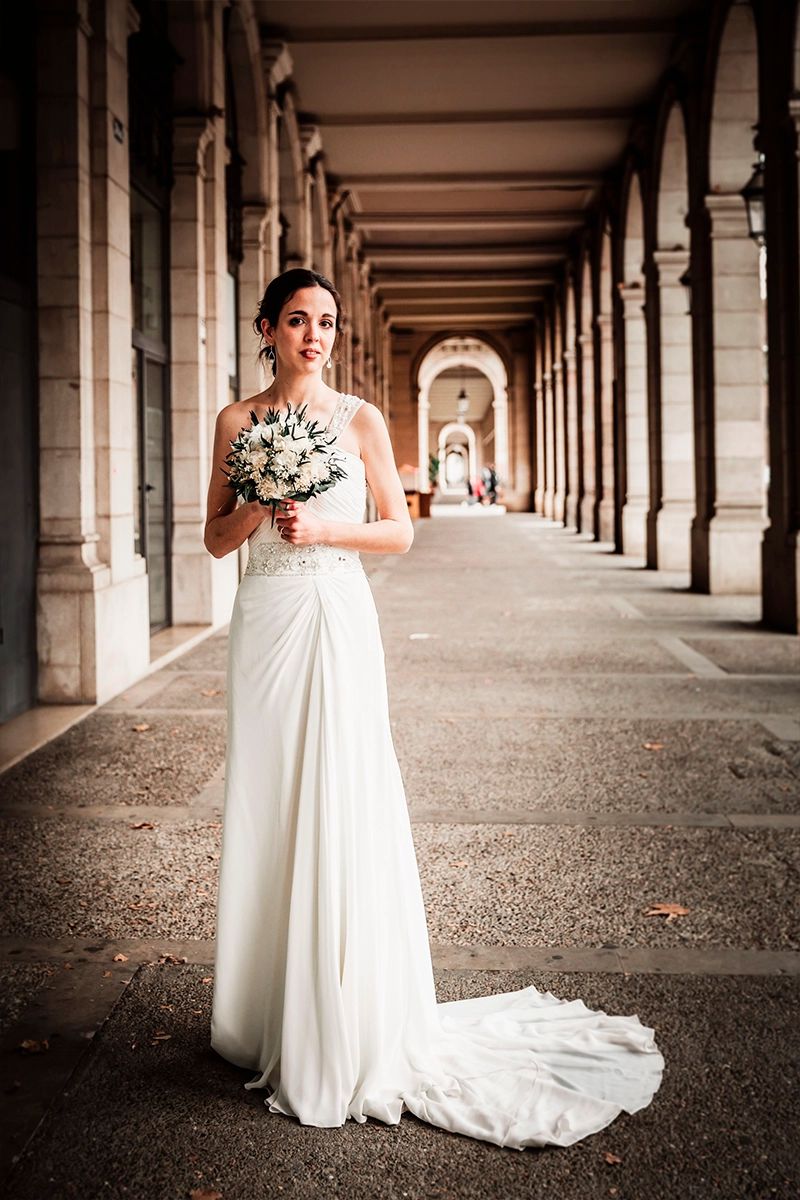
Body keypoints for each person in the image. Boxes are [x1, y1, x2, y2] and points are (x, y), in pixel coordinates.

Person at [205, 267, 664, 1149]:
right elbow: (215, 535)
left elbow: (398, 528)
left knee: (341, 791)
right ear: (265, 328)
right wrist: (263, 504)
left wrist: (325, 527)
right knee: (268, 800)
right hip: (262, 618)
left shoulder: (362, 419)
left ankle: (343, 1013)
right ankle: (268, 1008)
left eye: (328, 321)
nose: (315, 334)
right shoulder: (237, 422)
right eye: (297, 320)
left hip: (335, 612)